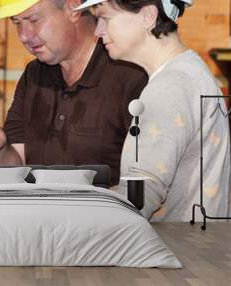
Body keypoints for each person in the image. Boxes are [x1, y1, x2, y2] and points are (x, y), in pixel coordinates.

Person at [0, 0, 148, 185]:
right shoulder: (34, 75)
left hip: (104, 217)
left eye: (33, 20)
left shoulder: (132, 76)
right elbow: (17, 166)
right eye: (17, 23)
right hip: (38, 216)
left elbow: (148, 182)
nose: (23, 36)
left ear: (73, 8)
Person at [76, 0, 230, 221]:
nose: (98, 31)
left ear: (148, 16)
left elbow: (140, 195)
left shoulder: (170, 87)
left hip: (175, 250)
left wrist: (72, 216)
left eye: (105, 18)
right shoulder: (189, 73)